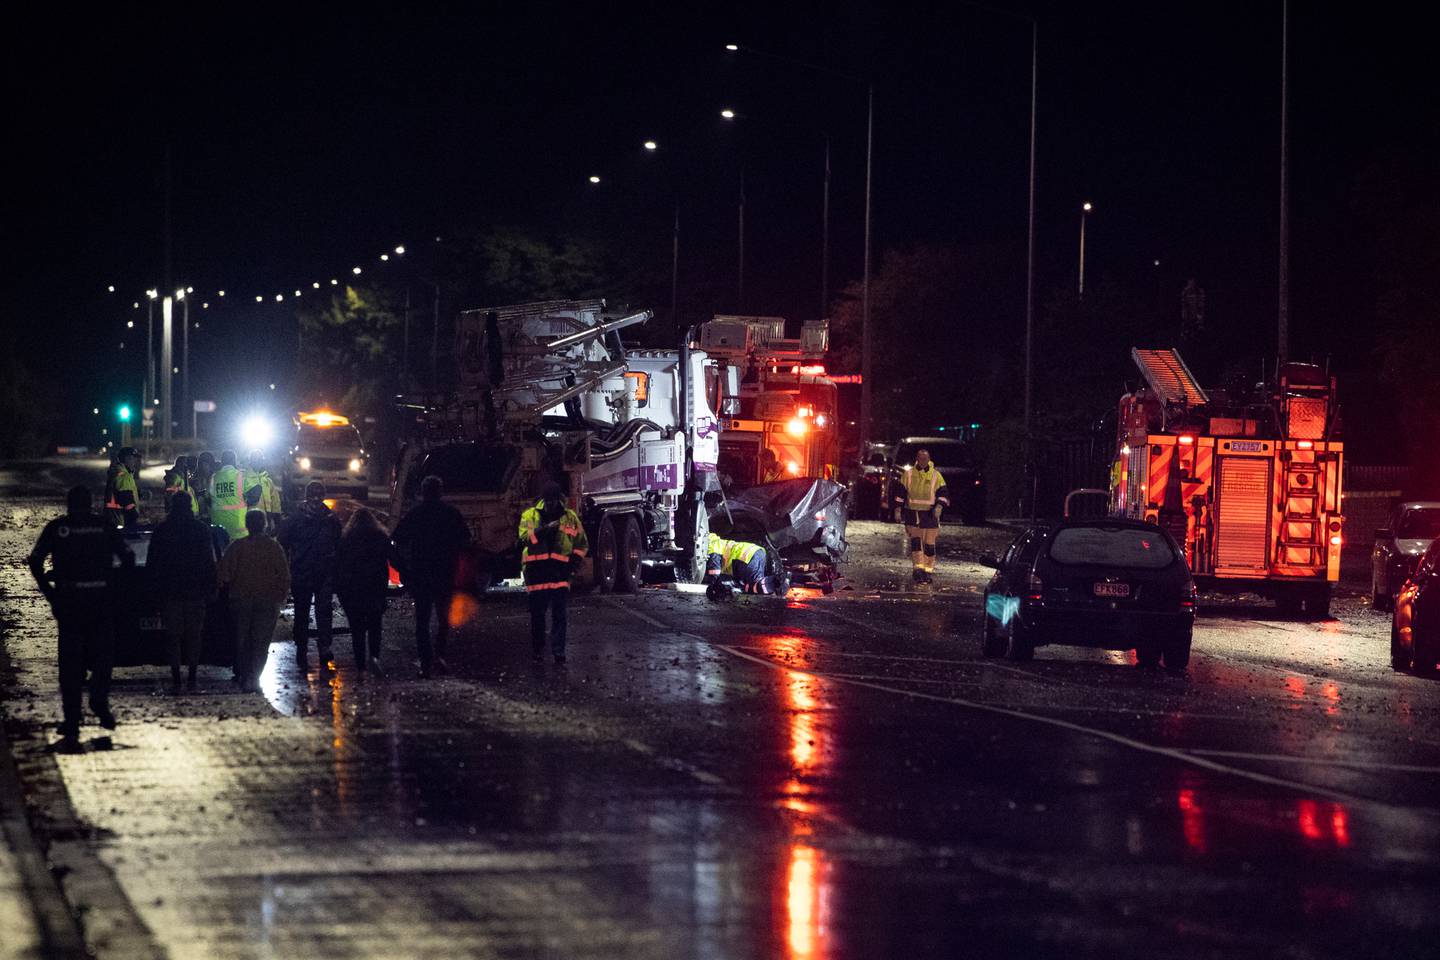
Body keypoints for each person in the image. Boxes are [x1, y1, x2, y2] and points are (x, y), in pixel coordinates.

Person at [27, 486, 132, 750]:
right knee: (102, 659)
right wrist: (116, 589)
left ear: (68, 505)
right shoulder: (103, 526)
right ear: (92, 503)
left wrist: (51, 594)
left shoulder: (58, 528)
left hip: (70, 605)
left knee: (70, 666)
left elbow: (35, 561)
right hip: (100, 604)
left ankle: (72, 720)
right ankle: (99, 702)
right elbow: (128, 558)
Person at [392, 475, 471, 677]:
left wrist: (406, 567)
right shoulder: (451, 513)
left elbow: (398, 538)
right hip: (444, 573)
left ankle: (426, 662)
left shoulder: (416, 514)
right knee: (443, 618)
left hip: (421, 574)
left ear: (423, 492)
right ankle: (440, 656)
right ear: (440, 491)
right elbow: (466, 539)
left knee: (422, 621)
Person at [146, 490, 218, 692]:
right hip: (195, 592)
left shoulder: (163, 530)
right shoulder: (200, 529)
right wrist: (212, 587)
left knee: (173, 637)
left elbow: (153, 563)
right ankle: (192, 673)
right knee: (194, 636)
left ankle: (176, 674)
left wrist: (153, 590)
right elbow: (209, 561)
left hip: (171, 592)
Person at [218, 510, 290, 691]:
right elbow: (284, 575)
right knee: (261, 641)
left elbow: (223, 574)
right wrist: (280, 596)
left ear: (247, 525)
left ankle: (243, 673)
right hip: (267, 601)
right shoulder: (273, 547)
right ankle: (255, 676)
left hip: (241, 600)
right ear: (264, 524)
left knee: (242, 638)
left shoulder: (237, 547)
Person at [517, 481, 587, 663]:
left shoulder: (570, 518)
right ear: (543, 500)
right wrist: (544, 531)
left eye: (553, 501)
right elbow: (524, 538)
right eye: (547, 501)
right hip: (537, 574)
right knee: (538, 616)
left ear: (559, 500)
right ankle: (538, 651)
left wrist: (575, 562)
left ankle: (558, 652)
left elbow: (581, 543)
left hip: (559, 574)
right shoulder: (530, 516)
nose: (550, 504)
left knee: (559, 615)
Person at [278, 480, 341, 671]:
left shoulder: (296, 518)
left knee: (302, 612)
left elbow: (282, 542)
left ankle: (302, 648)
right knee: (323, 612)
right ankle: (324, 647)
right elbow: (339, 543)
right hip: (323, 572)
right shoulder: (331, 518)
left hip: (302, 572)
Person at [335, 507, 393, 677]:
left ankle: (360, 667)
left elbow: (338, 564)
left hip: (353, 589)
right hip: (375, 587)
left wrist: (339, 587)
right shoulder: (380, 537)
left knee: (357, 629)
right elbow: (394, 557)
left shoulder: (347, 538)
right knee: (375, 625)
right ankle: (374, 657)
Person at [891, 447, 950, 585]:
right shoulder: (908, 474)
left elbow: (944, 493)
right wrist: (897, 510)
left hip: (930, 515)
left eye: (925, 459)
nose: (923, 461)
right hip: (913, 515)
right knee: (916, 544)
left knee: (929, 546)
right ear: (916, 459)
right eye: (920, 458)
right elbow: (900, 494)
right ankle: (918, 570)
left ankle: (928, 571)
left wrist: (939, 507)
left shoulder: (936, 476)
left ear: (929, 460)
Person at [704, 531, 772, 595]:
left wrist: (712, 585)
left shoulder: (712, 544)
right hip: (754, 553)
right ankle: (776, 586)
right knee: (751, 588)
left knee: (757, 587)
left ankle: (778, 583)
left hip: (745, 557)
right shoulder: (717, 543)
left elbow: (715, 569)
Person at [209, 450, 252, 542]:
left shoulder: (214, 477)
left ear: (222, 461)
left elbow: (208, 498)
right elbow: (254, 491)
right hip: (238, 526)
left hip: (218, 525)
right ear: (234, 461)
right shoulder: (240, 475)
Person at [104, 446, 142, 529]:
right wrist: (133, 516)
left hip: (114, 519)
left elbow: (119, 493)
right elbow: (125, 498)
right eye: (133, 459)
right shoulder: (123, 476)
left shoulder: (120, 473)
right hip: (121, 521)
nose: (135, 462)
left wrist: (138, 494)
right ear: (127, 459)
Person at [246, 449, 283, 529]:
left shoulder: (267, 481)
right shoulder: (244, 478)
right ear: (251, 461)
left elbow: (275, 500)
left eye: (259, 460)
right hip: (250, 519)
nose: (258, 462)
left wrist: (277, 517)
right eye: (256, 460)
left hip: (266, 520)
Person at [193, 451, 217, 522]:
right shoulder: (196, 480)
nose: (203, 467)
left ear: (210, 465)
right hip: (200, 516)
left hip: (214, 514)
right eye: (201, 464)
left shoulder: (216, 478)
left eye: (206, 464)